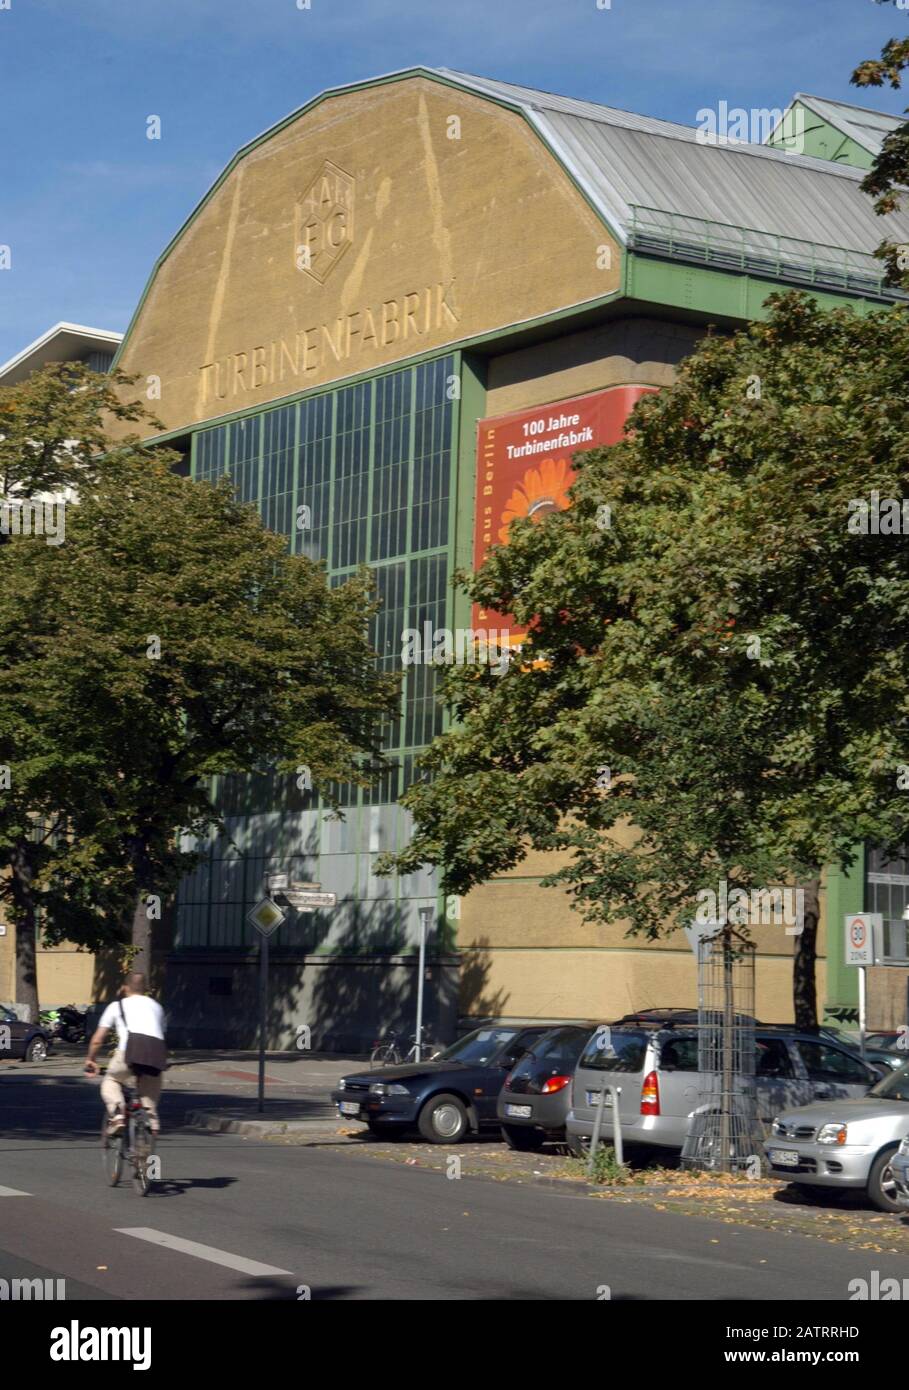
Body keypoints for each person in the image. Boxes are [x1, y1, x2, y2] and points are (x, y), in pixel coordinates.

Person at [84, 973, 167, 1136]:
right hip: (155, 1054)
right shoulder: (158, 1007)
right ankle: (151, 1120)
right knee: (149, 1094)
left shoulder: (117, 1006)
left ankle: (118, 1115)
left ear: (125, 988)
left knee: (111, 1080)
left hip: (128, 1052)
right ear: (146, 989)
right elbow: (162, 1035)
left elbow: (97, 1040)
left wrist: (90, 1059)